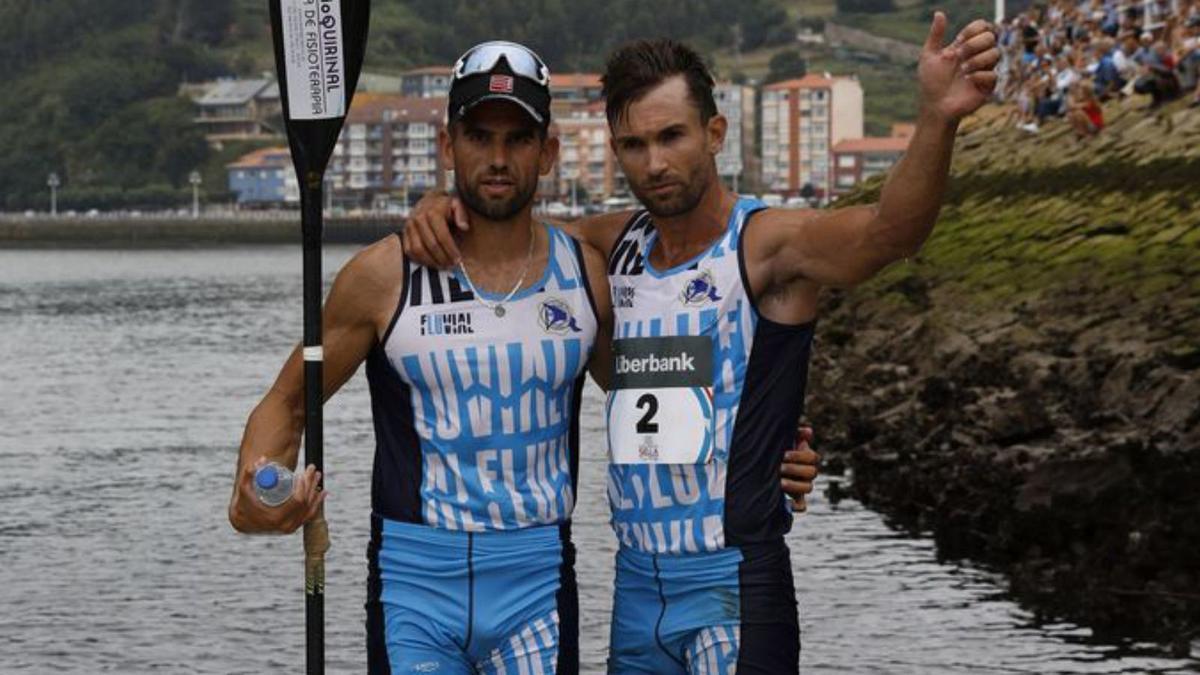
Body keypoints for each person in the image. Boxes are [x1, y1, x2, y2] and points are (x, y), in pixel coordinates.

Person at [405, 13, 1000, 673]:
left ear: (714, 134)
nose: (655, 163)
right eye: (634, 145)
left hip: (733, 583)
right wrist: (439, 204)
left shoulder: (768, 246)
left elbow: (890, 233)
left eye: (671, 137)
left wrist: (938, 117)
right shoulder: (605, 247)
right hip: (636, 591)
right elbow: (504, 235)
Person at [228, 40, 818, 675]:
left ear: (549, 151)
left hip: (536, 588)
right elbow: (287, 405)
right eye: (479, 137)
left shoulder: (585, 273)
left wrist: (774, 455)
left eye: (518, 139)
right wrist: (257, 494)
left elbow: (664, 403)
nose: (499, 158)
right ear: (449, 147)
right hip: (413, 589)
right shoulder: (382, 276)